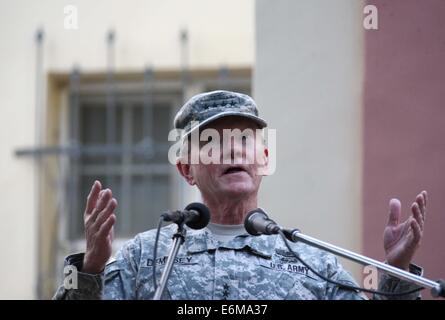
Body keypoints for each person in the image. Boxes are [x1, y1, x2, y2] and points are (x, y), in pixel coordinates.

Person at [54, 90, 427, 300]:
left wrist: (398, 273)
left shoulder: (311, 260)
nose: (233, 151)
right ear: (186, 169)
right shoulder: (145, 257)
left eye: (245, 140)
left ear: (263, 159)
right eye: (214, 142)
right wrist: (90, 269)